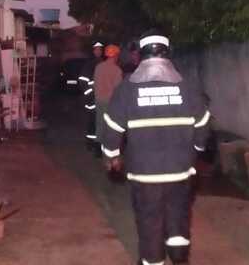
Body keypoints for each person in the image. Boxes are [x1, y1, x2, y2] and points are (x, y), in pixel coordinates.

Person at [100, 31, 210, 265]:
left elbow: (112, 128)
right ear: (167, 55)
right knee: (178, 215)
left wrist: (112, 156)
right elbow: (202, 125)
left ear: (140, 56)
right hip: (180, 170)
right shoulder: (187, 87)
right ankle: (180, 258)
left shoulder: (127, 89)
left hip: (144, 173)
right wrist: (196, 151)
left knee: (150, 220)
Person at [93, 44, 123, 157]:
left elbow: (95, 83)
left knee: (99, 123)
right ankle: (108, 149)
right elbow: (118, 89)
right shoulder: (117, 70)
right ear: (115, 56)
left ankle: (97, 148)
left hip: (99, 99)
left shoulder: (99, 67)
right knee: (110, 126)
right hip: (110, 102)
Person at [79, 41, 105, 151]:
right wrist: (89, 93)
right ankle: (91, 143)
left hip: (101, 97)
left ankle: (98, 144)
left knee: (100, 121)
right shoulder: (89, 64)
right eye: (96, 49)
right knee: (92, 121)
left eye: (100, 50)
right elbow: (82, 80)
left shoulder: (104, 63)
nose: (98, 51)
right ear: (93, 51)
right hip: (92, 98)